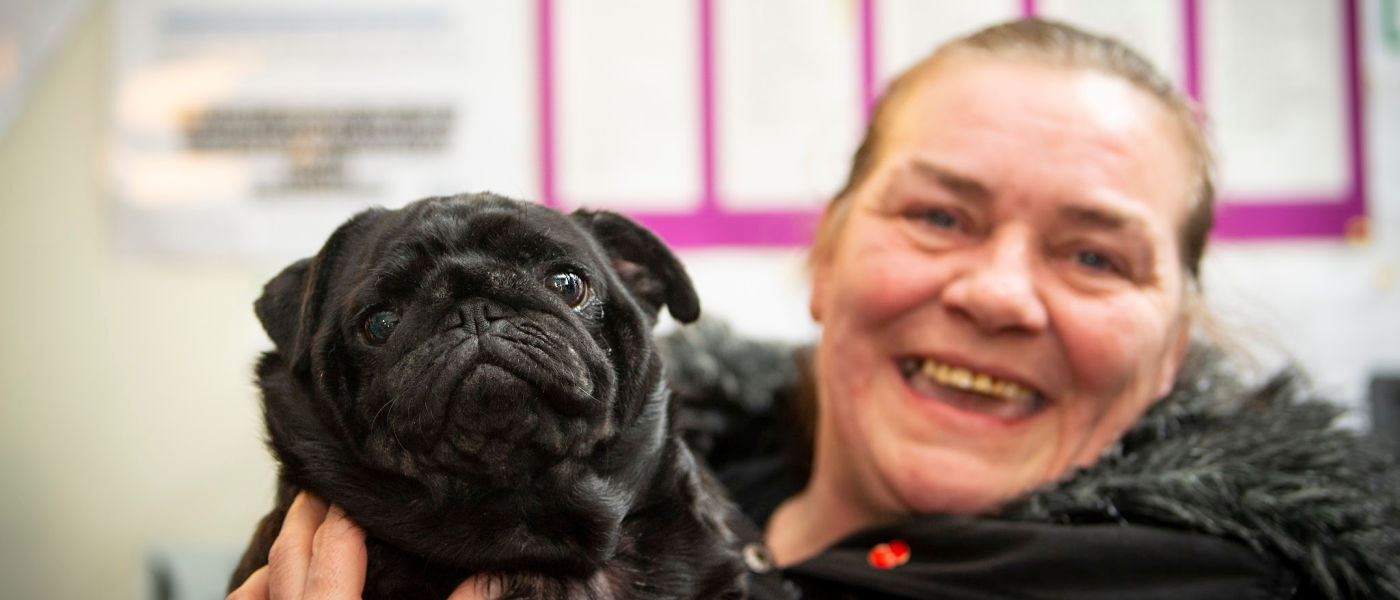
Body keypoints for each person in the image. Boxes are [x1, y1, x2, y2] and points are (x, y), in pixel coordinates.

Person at [229, 18, 1400, 600]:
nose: (995, 292)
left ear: (1174, 339)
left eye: (1093, 255)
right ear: (825, 256)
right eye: (937, 215)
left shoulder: (1196, 582)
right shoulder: (688, 481)